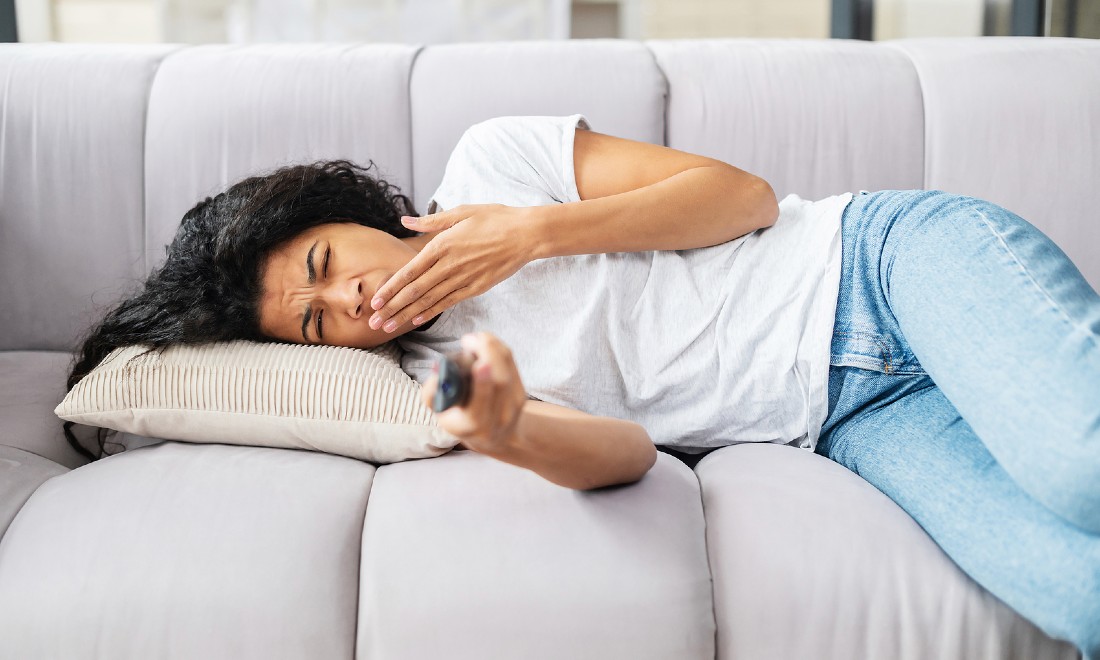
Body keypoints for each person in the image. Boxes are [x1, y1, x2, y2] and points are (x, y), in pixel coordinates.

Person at [66, 115, 1098, 658]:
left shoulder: (494, 161)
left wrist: (531, 231)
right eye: (315, 321)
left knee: (1078, 468)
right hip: (844, 415)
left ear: (341, 211)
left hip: (884, 265)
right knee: (1077, 597)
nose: (354, 302)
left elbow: (738, 199)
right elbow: (627, 455)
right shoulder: (438, 375)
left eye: (328, 265)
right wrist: (508, 429)